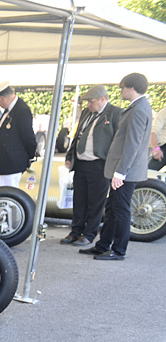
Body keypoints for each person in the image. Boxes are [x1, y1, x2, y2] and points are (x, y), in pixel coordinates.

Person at [82, 73, 154, 261]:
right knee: (112, 208)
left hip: (126, 172)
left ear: (131, 88)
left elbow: (132, 144)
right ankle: (103, 245)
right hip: (123, 170)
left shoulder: (138, 109)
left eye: (122, 87)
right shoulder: (137, 107)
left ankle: (119, 250)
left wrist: (120, 172)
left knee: (121, 210)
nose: (120, 91)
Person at [59, 85, 122, 247]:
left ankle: (89, 234)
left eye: (91, 102)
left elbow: (118, 140)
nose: (88, 105)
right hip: (81, 163)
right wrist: (70, 156)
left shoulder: (115, 113)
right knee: (79, 199)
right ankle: (75, 231)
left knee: (96, 202)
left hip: (100, 164)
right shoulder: (87, 113)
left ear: (103, 100)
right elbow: (78, 135)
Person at [0, 82, 37, 189]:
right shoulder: (10, 110)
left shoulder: (22, 110)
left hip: (11, 164)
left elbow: (28, 137)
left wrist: (29, 156)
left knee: (7, 196)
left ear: (3, 98)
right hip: (1, 164)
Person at [149, 104, 166, 171]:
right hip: (163, 148)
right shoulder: (164, 112)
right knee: (148, 173)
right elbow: (153, 132)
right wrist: (156, 149)